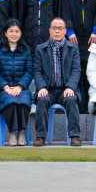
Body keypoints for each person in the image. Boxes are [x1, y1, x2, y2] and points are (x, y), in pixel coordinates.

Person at [32, 18, 82, 146]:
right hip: (48, 89)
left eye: (60, 28)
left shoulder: (73, 48)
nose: (57, 31)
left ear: (65, 31)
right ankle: (40, 136)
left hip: (65, 89)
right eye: (54, 28)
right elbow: (37, 70)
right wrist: (42, 87)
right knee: (42, 99)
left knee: (71, 99)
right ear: (49, 30)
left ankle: (75, 136)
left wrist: (70, 87)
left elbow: (76, 70)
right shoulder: (40, 49)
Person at [0, 19, 33, 146]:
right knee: (11, 101)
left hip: (21, 89)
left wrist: (20, 86)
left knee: (24, 101)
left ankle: (22, 132)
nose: (14, 34)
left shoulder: (26, 51)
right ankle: (13, 132)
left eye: (17, 31)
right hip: (2, 90)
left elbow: (29, 71)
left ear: (21, 33)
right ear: (5, 33)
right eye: (11, 31)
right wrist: (5, 87)